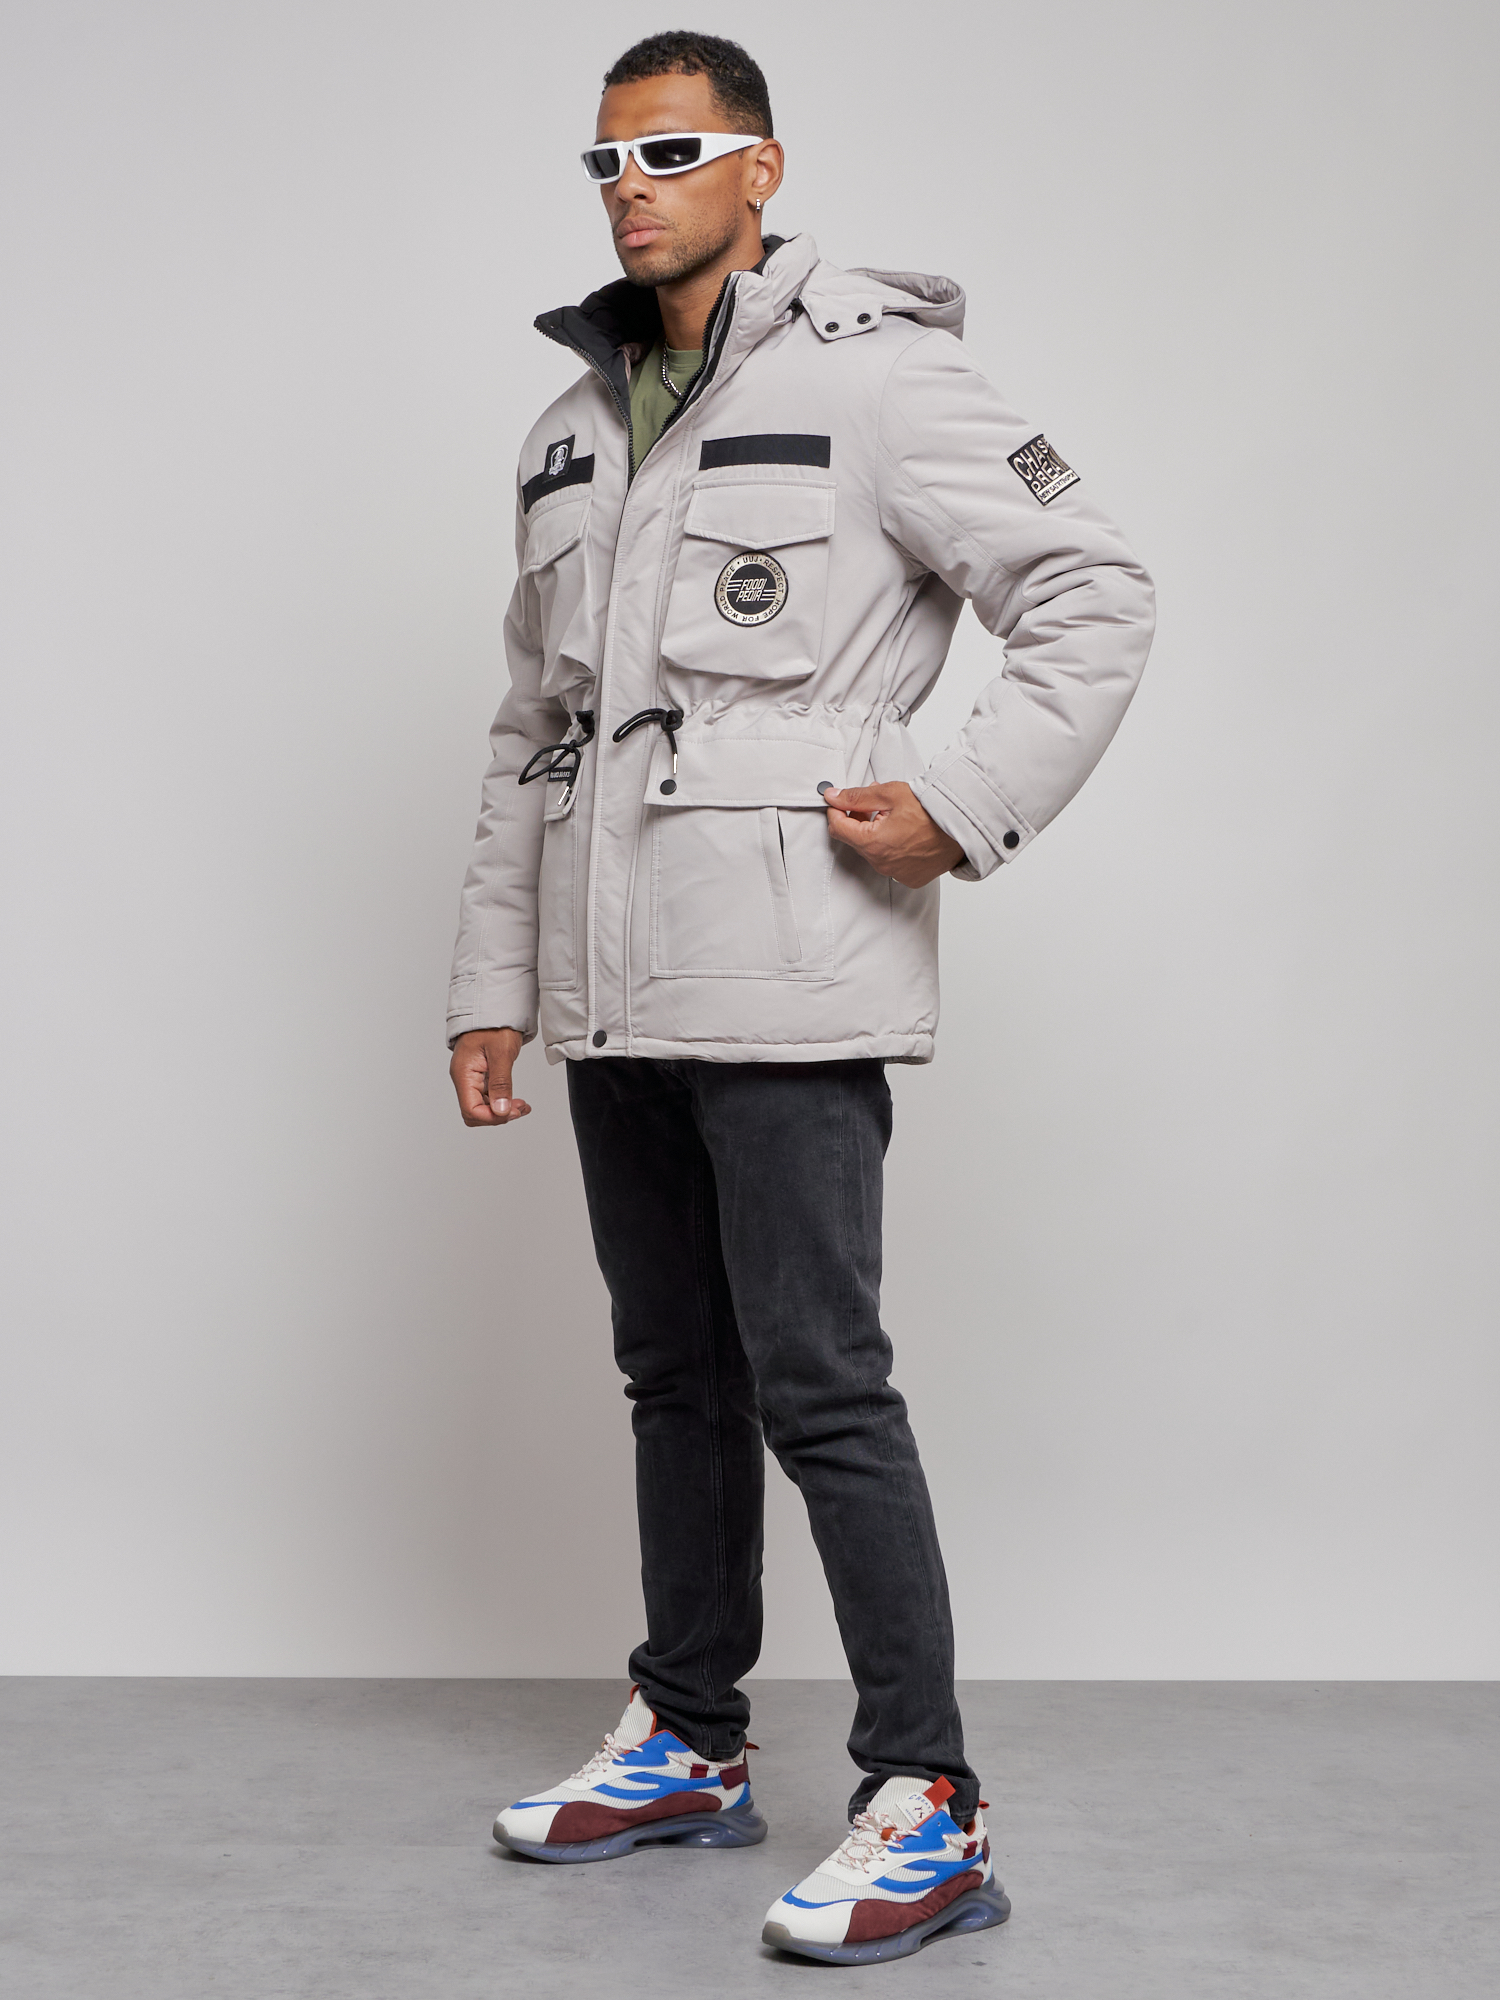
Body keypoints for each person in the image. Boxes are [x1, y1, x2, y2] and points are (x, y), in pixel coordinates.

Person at [446, 29, 1153, 1967]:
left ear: (763, 169)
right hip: (610, 984)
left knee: (822, 1379)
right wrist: (494, 980)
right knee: (675, 1375)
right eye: (609, 157)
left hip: (789, 967)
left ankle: (930, 1800)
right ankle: (690, 1734)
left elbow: (1092, 588)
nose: (633, 183)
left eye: (674, 150)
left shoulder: (881, 376)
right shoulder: (571, 427)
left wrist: (962, 803)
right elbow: (532, 728)